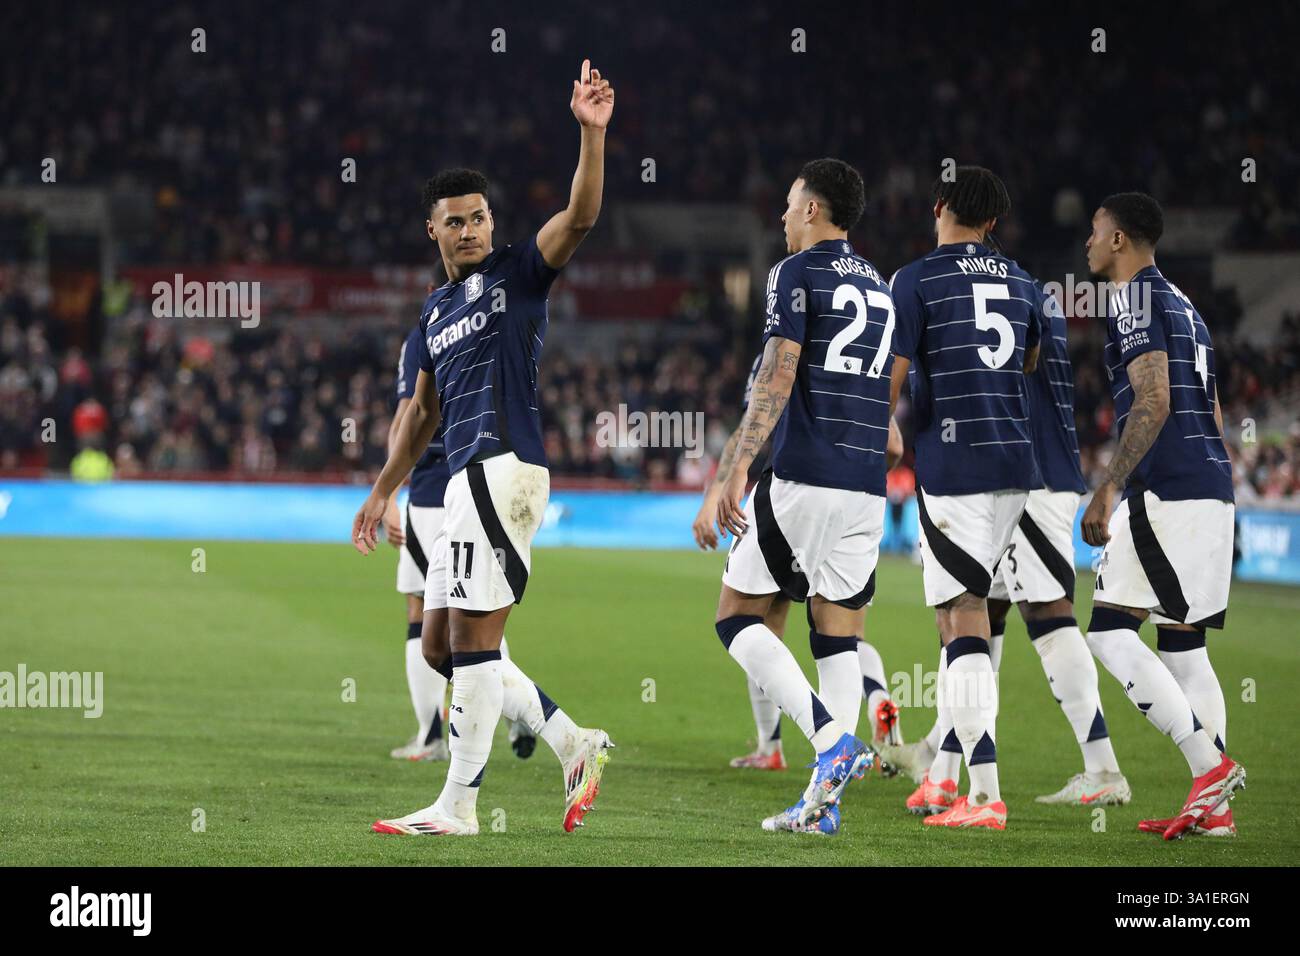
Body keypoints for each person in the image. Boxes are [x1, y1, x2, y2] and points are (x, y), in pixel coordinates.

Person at [352, 60, 615, 837]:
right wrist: (382, 488)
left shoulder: (518, 274)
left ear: (492, 222)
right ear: (430, 230)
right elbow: (419, 415)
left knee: (473, 640)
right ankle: (573, 740)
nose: (470, 229)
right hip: (460, 478)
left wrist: (591, 136)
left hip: (503, 472)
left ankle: (458, 807)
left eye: (479, 216)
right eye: (454, 220)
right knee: (440, 646)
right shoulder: (434, 311)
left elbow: (581, 217)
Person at [713, 158, 892, 835]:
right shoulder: (879, 284)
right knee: (837, 639)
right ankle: (824, 804)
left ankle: (829, 741)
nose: (783, 217)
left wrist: (736, 467)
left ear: (814, 209)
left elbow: (778, 374)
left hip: (806, 474)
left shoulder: (795, 273)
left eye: (790, 205)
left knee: (736, 618)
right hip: (865, 486)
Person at [1079, 192, 1245, 840]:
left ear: (1119, 238)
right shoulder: (1186, 306)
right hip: (1210, 487)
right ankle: (1216, 812)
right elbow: (1217, 412)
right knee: (1184, 648)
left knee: (1108, 633)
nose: (1087, 242)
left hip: (1166, 492)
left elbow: (1154, 397)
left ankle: (1208, 768)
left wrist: (1109, 487)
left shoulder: (1136, 301)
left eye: (1095, 230)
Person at [888, 166, 1042, 830]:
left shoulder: (916, 279)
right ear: (994, 222)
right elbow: (1030, 361)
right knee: (957, 623)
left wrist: (884, 436)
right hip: (1015, 464)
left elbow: (890, 376)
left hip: (955, 465)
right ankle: (946, 779)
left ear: (940, 205)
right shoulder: (1027, 282)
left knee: (963, 615)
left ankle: (986, 795)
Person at [693, 351, 906, 772]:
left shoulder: (783, 350)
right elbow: (894, 445)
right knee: (845, 632)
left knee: (755, 622)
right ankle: (877, 700)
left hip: (796, 496)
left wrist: (713, 496)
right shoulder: (868, 355)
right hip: (860, 500)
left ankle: (778, 746)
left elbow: (743, 433)